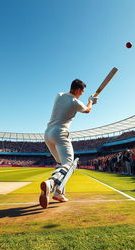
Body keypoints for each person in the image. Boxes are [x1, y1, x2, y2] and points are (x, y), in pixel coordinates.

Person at [39, 79, 98, 208]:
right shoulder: (75, 102)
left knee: (61, 164)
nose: (81, 94)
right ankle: (51, 184)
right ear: (77, 90)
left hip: (47, 133)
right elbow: (88, 110)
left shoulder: (59, 95)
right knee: (69, 164)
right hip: (60, 133)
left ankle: (59, 193)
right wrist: (91, 101)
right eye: (81, 92)